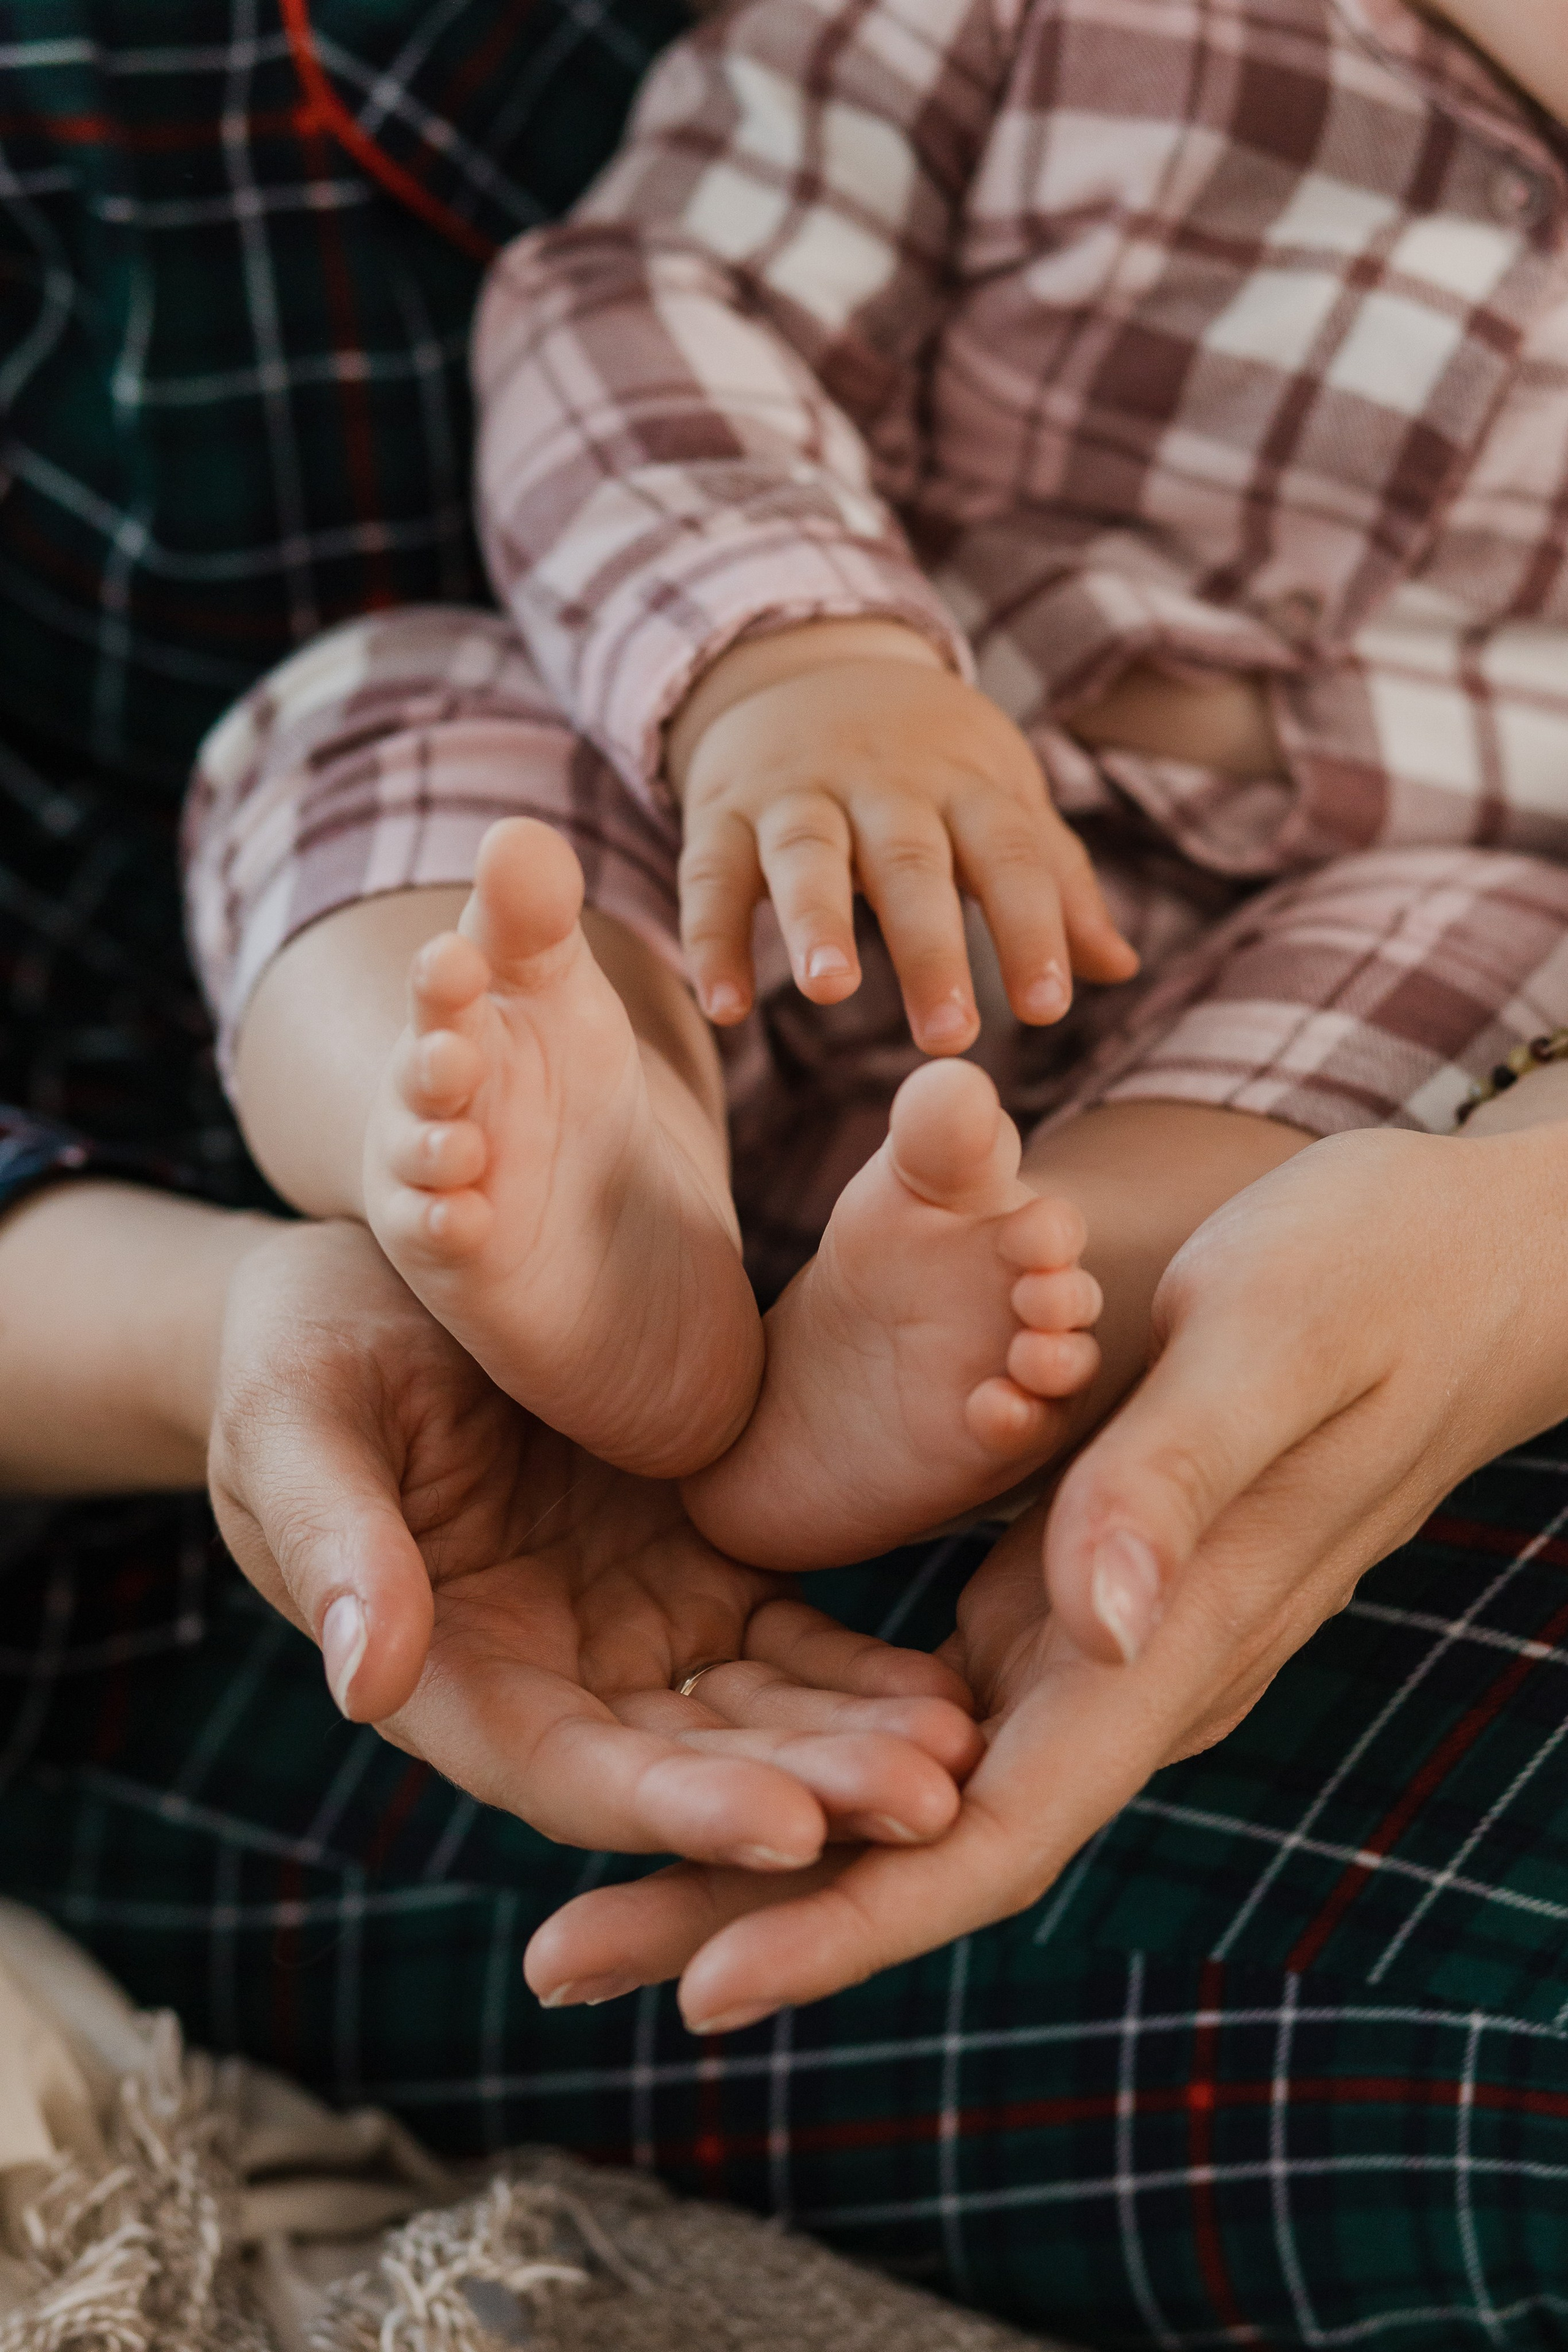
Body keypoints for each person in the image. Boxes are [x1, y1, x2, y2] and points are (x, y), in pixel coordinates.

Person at [10, 2, 1568, 2345]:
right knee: (400, 733)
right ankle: (541, 1152)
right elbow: (652, 294)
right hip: (739, 811)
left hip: (1253, 978)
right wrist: (790, 653)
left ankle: (1014, 1304)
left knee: (1479, 945)